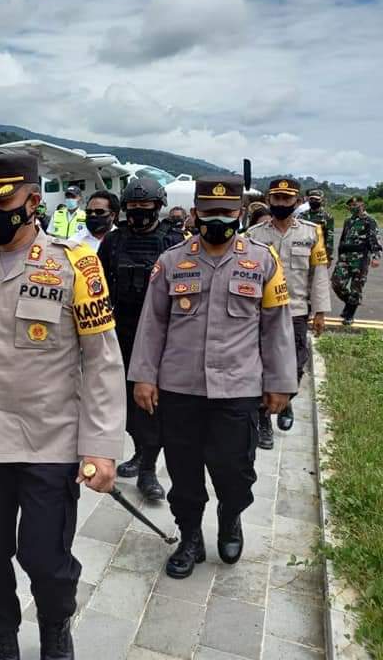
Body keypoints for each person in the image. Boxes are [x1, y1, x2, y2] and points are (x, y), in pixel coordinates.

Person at [0, 154, 125, 660]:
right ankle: (1, 638)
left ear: (33, 201)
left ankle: (56, 626)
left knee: (45, 557)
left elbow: (102, 362)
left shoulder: (76, 265)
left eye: (2, 201)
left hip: (50, 441)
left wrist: (102, 448)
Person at [129, 176, 296, 579]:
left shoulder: (263, 261)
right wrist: (143, 378)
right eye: (208, 212)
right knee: (184, 473)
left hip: (238, 389)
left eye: (225, 212)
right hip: (179, 388)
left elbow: (277, 326)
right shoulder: (170, 261)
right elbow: (152, 325)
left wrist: (280, 383)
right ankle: (189, 537)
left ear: (239, 213)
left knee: (235, 470)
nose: (217, 219)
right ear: (195, 214)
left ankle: (230, 516)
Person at [98, 177, 184, 502]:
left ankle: (148, 470)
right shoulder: (114, 242)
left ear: (158, 208)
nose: (137, 213)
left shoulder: (173, 243)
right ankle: (134, 452)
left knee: (152, 406)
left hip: (159, 338)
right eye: (131, 207)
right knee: (120, 404)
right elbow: (100, 285)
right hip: (118, 334)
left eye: (144, 207)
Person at [245, 178, 330, 445]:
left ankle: (286, 400)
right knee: (260, 366)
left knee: (295, 366)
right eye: (277, 199)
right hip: (261, 313)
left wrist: (320, 311)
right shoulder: (254, 235)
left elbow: (319, 275)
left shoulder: (311, 233)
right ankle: (264, 420)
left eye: (287, 199)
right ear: (269, 200)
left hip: (295, 312)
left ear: (297, 201)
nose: (282, 203)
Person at [332, 196, 382, 325]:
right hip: (345, 258)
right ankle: (351, 303)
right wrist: (339, 255)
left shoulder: (369, 220)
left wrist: (376, 257)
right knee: (337, 283)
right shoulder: (348, 221)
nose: (354, 207)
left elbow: (374, 239)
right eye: (351, 205)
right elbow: (343, 238)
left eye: (356, 205)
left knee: (356, 288)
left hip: (360, 260)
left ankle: (349, 314)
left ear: (362, 205)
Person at [299, 189, 335, 258]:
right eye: (311, 199)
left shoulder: (327, 217)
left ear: (321, 200)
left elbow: (329, 237)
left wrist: (328, 255)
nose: (313, 201)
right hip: (303, 249)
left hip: (319, 251)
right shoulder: (302, 215)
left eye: (316, 199)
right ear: (308, 200)